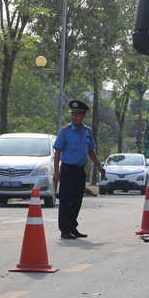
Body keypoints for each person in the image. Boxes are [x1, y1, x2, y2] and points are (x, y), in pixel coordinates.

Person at [53, 100, 106, 239]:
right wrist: (56, 172)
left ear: (84, 116)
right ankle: (65, 230)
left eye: (77, 114)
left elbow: (91, 151)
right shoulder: (65, 131)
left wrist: (99, 166)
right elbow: (57, 151)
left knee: (77, 200)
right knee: (65, 200)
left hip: (81, 170)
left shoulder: (87, 131)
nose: (74, 116)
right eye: (72, 114)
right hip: (68, 170)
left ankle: (72, 227)